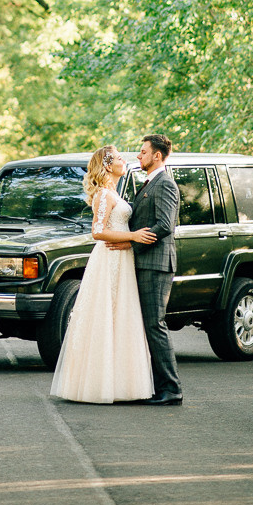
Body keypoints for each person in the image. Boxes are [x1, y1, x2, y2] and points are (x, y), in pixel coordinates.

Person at [49, 145, 156, 404]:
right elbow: (97, 232)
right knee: (105, 315)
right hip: (108, 259)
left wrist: (130, 241)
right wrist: (132, 235)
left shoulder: (115, 193)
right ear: (108, 166)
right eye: (120, 158)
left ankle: (121, 385)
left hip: (122, 255)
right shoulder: (104, 195)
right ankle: (99, 384)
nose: (125, 160)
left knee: (122, 316)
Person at [124, 133, 183, 406]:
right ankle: (154, 386)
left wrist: (133, 243)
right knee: (147, 326)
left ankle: (171, 389)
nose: (138, 156)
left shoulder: (165, 183)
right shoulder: (149, 183)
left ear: (157, 155)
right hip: (144, 263)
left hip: (156, 264)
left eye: (143, 151)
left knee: (154, 325)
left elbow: (165, 224)